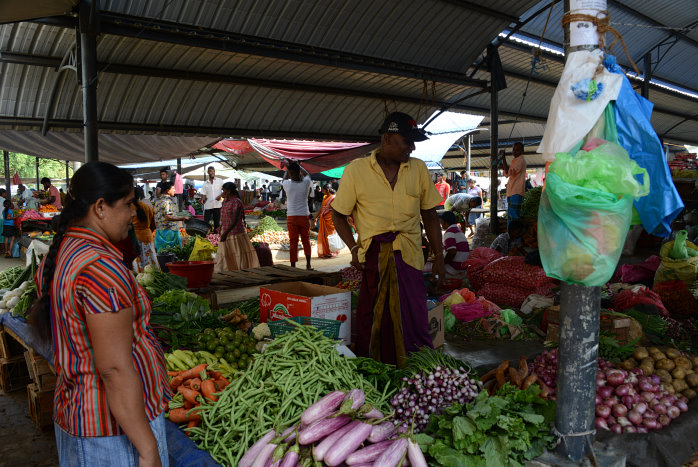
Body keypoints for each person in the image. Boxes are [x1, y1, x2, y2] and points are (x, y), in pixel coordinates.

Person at [28, 162, 169, 466]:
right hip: (113, 433)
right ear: (101, 207)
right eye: (129, 203)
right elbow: (114, 369)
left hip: (79, 415)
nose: (134, 213)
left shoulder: (64, 251)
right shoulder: (100, 269)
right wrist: (148, 449)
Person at [331, 111, 444, 366]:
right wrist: (352, 247)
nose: (412, 148)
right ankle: (376, 368)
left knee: (413, 314)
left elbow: (430, 215)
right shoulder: (356, 171)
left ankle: (415, 366)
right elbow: (338, 215)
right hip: (374, 257)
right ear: (387, 138)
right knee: (374, 315)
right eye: (407, 141)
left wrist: (439, 255)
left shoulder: (418, 169)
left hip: (410, 254)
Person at [215, 182, 260, 272]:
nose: (222, 192)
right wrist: (221, 228)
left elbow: (236, 220)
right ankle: (229, 271)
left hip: (235, 232)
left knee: (237, 253)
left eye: (224, 190)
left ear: (229, 191)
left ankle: (240, 271)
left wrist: (226, 232)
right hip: (226, 231)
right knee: (227, 254)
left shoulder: (236, 202)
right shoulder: (226, 201)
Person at [282, 161, 313, 270]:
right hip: (304, 216)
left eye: (290, 173)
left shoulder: (287, 184)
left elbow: (284, 179)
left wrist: (286, 168)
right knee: (306, 241)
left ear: (290, 173)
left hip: (291, 217)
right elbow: (308, 174)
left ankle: (293, 267)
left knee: (293, 242)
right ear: (299, 172)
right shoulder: (306, 183)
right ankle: (308, 265)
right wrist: (298, 165)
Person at [132, 187, 160, 273]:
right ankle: (154, 277)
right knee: (150, 260)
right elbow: (153, 225)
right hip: (147, 237)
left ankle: (139, 279)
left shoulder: (130, 208)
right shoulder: (148, 207)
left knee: (138, 261)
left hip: (135, 238)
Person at [154, 182, 187, 251]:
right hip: (169, 231)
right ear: (168, 191)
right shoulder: (167, 201)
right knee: (172, 252)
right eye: (173, 188)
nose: (174, 190)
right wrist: (182, 218)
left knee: (162, 253)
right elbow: (168, 217)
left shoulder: (158, 201)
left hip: (160, 231)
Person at [501, 142, 527, 227]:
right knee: (510, 216)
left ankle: (516, 238)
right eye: (514, 150)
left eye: (517, 150)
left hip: (516, 191)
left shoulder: (520, 160)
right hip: (511, 192)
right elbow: (507, 173)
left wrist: (503, 158)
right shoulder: (515, 161)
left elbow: (509, 173)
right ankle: (510, 235)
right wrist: (501, 163)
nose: (515, 152)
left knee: (514, 216)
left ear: (522, 151)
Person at [439, 211, 469, 276]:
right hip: (463, 267)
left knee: (431, 267)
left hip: (454, 268)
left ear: (444, 222)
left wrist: (443, 263)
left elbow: (452, 252)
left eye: (441, 222)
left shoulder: (449, 232)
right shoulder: (458, 231)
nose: (441, 224)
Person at [314, 185, 338, 258]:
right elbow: (322, 208)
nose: (322, 191)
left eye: (323, 190)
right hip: (323, 218)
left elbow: (336, 209)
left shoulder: (333, 198)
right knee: (323, 235)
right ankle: (325, 252)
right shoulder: (324, 197)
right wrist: (316, 217)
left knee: (330, 235)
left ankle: (331, 251)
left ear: (327, 190)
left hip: (330, 219)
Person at [199, 166, 224, 231]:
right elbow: (204, 194)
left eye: (213, 171)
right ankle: (205, 233)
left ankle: (216, 235)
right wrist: (202, 199)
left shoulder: (220, 181)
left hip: (217, 205)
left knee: (217, 222)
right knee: (206, 221)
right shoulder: (205, 183)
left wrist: (220, 196)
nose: (212, 173)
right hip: (208, 206)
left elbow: (225, 190)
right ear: (208, 172)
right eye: (210, 171)